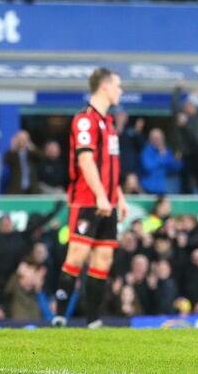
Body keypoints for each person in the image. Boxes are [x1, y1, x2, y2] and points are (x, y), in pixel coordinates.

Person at [53, 67, 129, 328]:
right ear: (105, 87)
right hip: (87, 200)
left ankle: (93, 321)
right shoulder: (85, 120)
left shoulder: (109, 124)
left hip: (107, 200)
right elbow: (85, 160)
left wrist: (119, 196)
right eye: (118, 85)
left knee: (103, 259)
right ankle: (59, 317)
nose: (120, 90)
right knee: (76, 255)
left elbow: (111, 165)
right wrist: (100, 196)